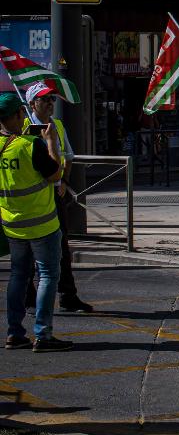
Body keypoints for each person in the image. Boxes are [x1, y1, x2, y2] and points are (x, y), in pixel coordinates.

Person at [2, 92, 71, 352]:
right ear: (19, 114)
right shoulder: (30, 145)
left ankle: (14, 333)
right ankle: (43, 334)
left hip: (12, 223)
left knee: (18, 275)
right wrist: (51, 141)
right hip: (41, 223)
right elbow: (56, 174)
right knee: (47, 275)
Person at [23, 83, 92, 314]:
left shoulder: (58, 125)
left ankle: (67, 295)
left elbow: (68, 156)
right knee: (31, 248)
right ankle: (28, 296)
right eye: (45, 99)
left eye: (52, 99)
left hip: (54, 194)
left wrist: (64, 182)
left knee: (61, 246)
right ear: (33, 103)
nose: (50, 103)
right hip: (32, 197)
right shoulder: (24, 126)